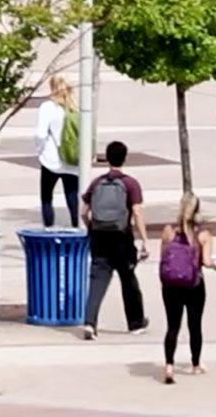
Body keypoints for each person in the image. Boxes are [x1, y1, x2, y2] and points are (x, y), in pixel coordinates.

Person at [79, 140, 148, 340]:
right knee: (128, 278)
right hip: (121, 238)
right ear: (125, 159)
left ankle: (90, 323)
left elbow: (84, 211)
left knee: (97, 281)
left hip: (99, 237)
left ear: (107, 159)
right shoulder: (130, 184)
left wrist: (91, 226)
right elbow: (137, 213)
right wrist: (144, 239)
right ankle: (135, 322)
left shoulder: (97, 183)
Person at [155, 193, 216, 384]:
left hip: (171, 285)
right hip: (193, 284)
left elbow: (163, 259)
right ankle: (195, 364)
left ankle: (169, 365)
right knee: (195, 325)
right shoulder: (203, 235)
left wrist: (162, 281)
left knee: (172, 326)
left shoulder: (168, 231)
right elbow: (207, 262)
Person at [34, 73, 82, 228]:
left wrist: (40, 150)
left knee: (46, 197)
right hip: (72, 160)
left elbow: (41, 134)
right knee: (72, 197)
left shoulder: (48, 107)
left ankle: (48, 230)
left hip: (51, 160)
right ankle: (77, 229)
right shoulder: (76, 108)